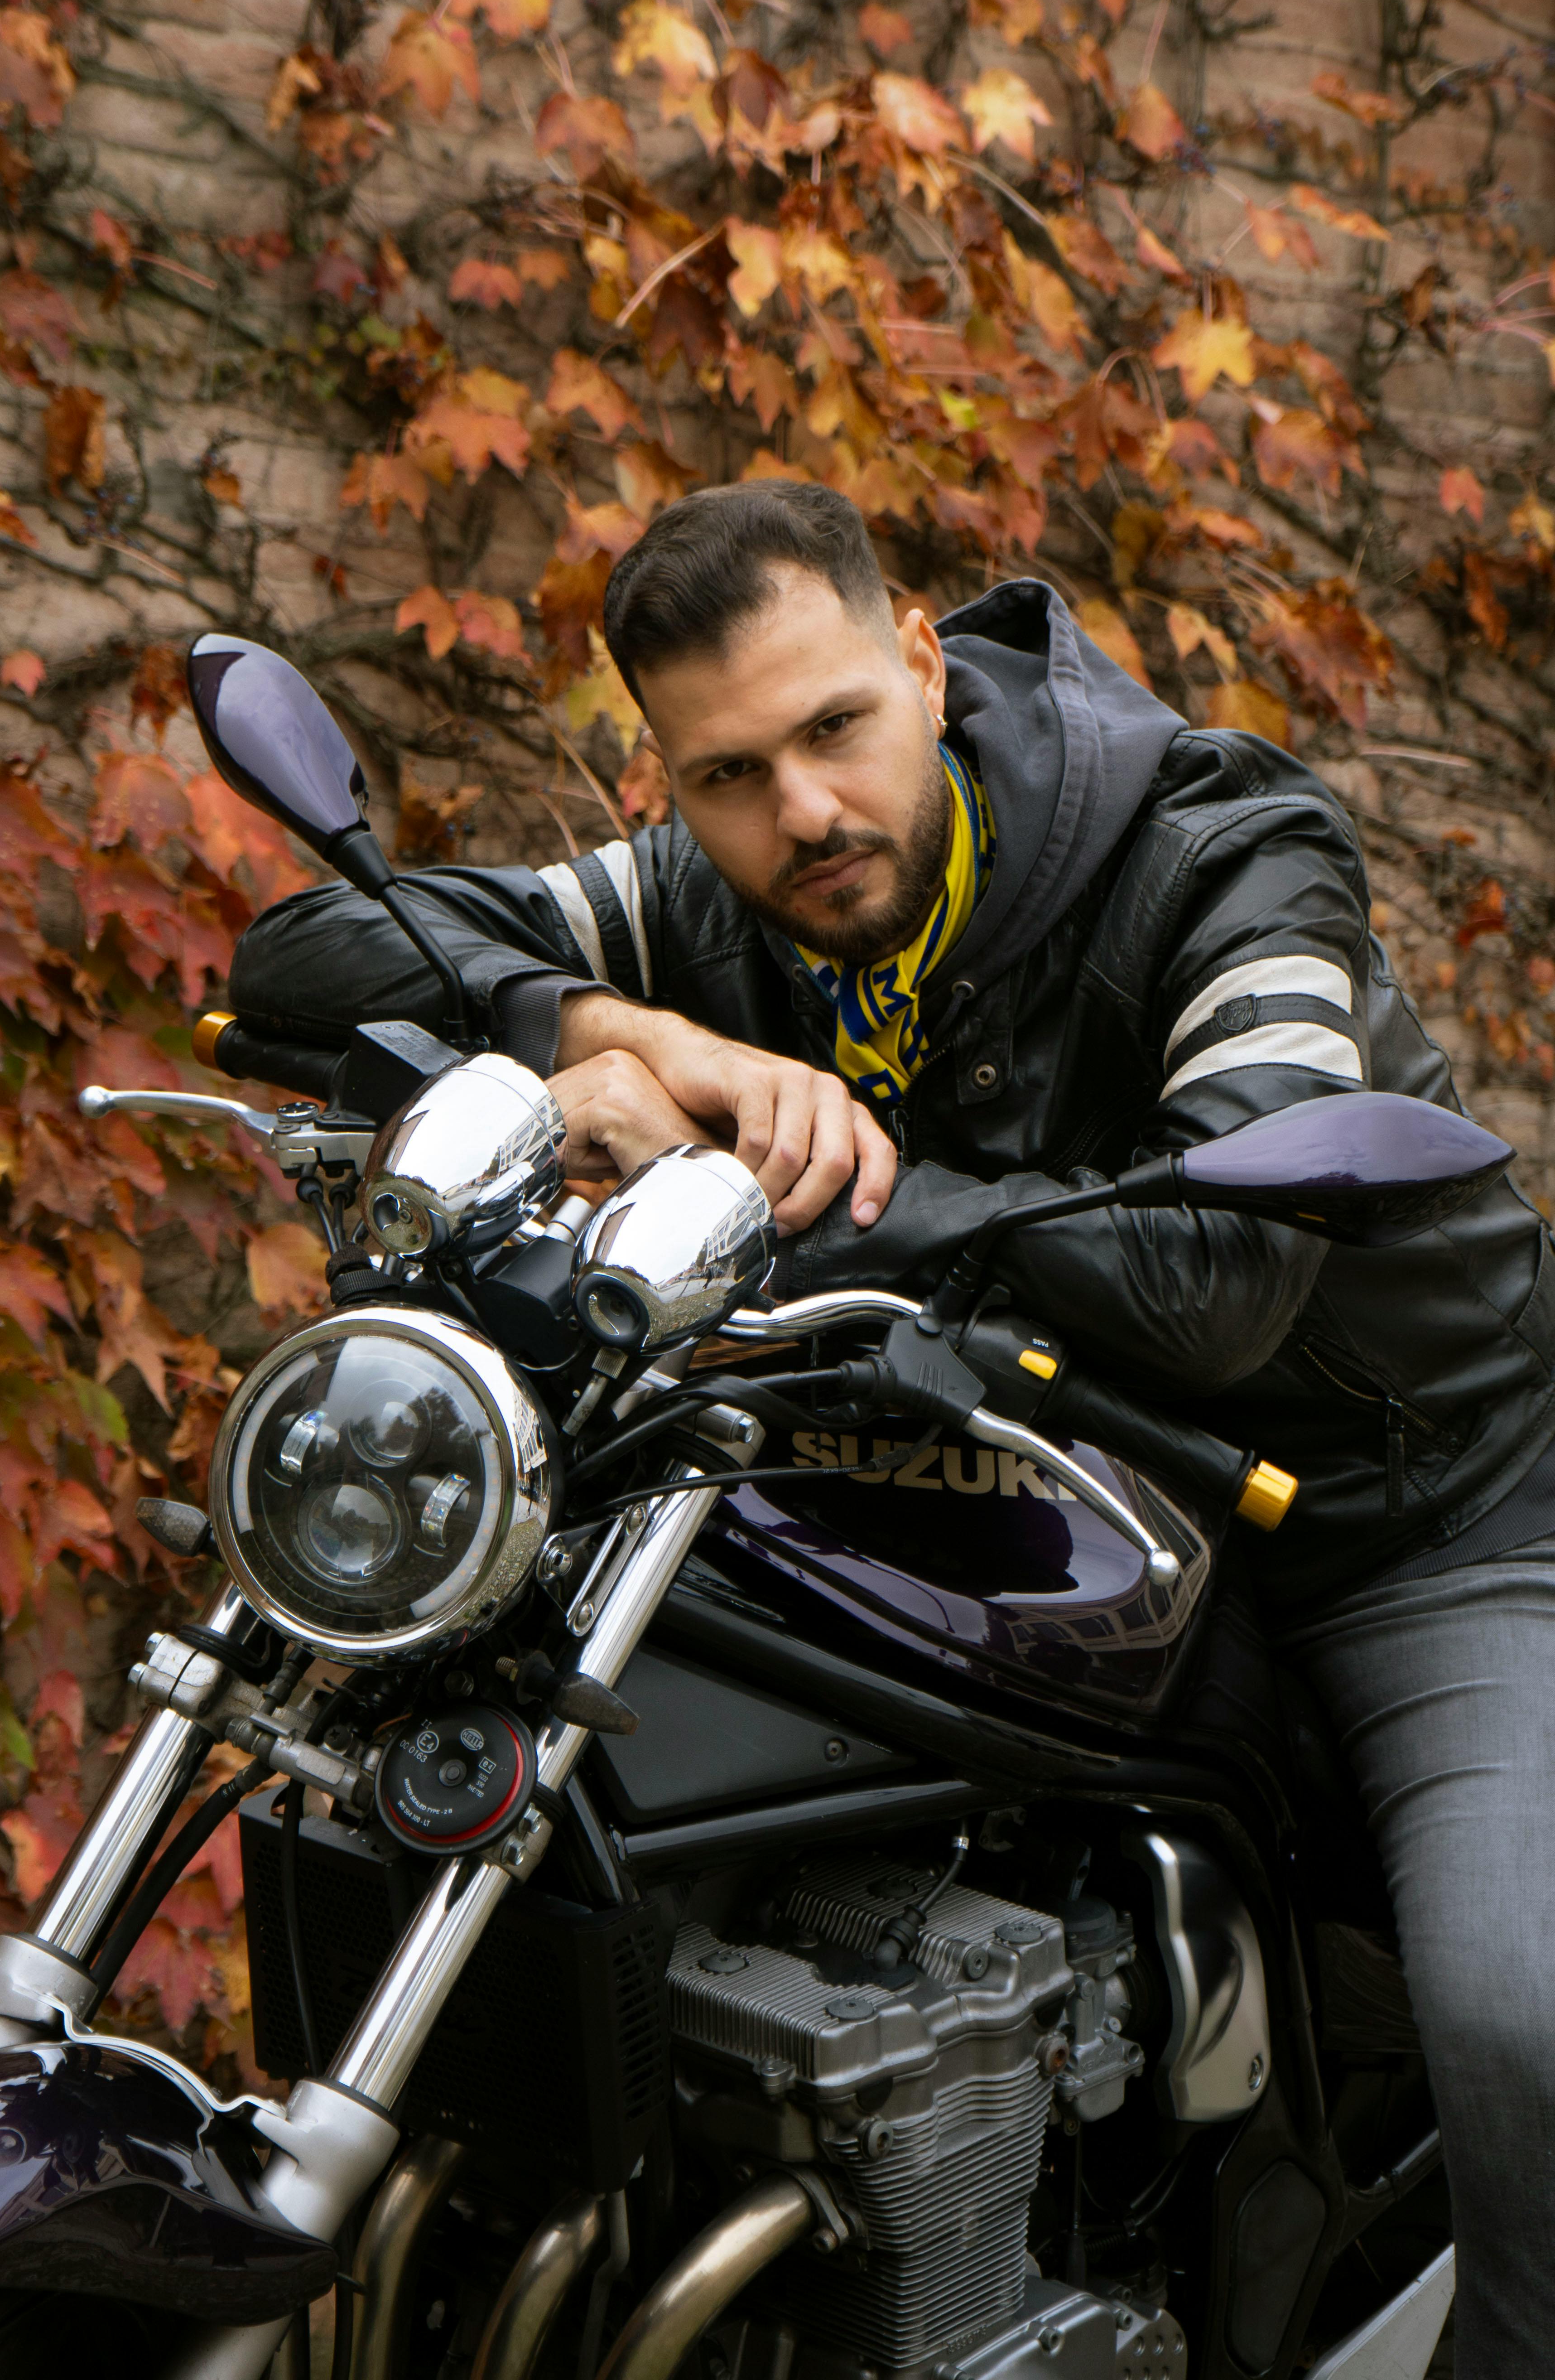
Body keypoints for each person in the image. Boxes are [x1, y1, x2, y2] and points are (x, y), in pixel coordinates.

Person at [232, 480, 1555, 2373]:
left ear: (924, 659)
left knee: (1524, 2020)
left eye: (838, 726)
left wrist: (780, 1180)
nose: (806, 814)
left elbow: (1224, 1274)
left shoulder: (1213, 840)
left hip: (1394, 1511)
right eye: (731, 772)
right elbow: (301, 958)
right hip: (997, 1491)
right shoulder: (714, 892)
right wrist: (637, 1031)